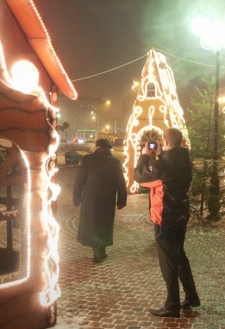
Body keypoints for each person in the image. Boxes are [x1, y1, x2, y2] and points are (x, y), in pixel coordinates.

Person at [133, 128, 199, 318]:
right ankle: (192, 296)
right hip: (180, 214)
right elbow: (170, 172)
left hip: (165, 216)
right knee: (179, 256)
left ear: (166, 142)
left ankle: (172, 306)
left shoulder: (162, 165)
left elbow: (140, 178)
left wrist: (144, 156)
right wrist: (163, 156)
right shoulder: (184, 159)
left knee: (168, 261)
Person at [73, 138, 127, 263]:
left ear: (98, 147)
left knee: (91, 224)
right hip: (107, 200)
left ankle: (97, 251)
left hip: (90, 199)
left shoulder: (88, 159)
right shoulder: (115, 162)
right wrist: (121, 201)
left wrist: (77, 197)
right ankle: (101, 250)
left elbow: (79, 180)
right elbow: (121, 183)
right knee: (104, 225)